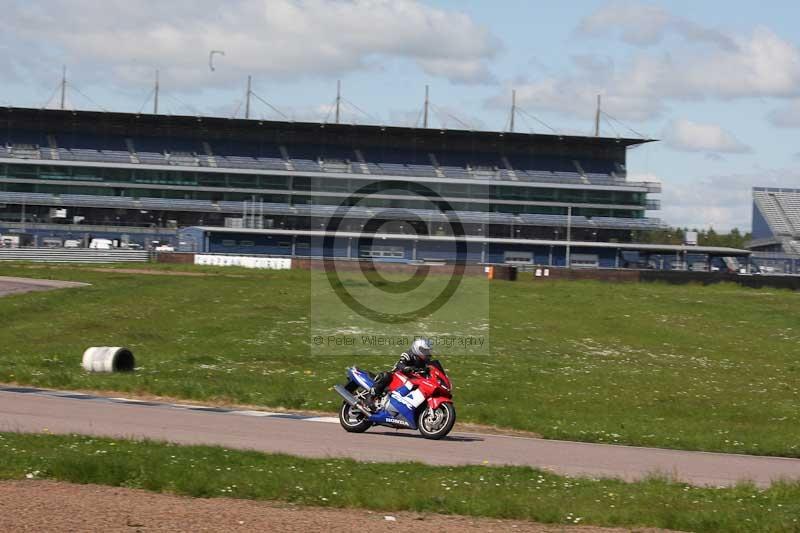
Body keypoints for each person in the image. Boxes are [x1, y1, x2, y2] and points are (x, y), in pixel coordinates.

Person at [367, 338, 432, 407]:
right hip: (397, 376)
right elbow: (400, 364)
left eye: (427, 351)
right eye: (425, 351)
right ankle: (370, 398)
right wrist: (406, 368)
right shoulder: (408, 354)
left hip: (412, 380)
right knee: (385, 376)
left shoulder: (425, 361)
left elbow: (430, 370)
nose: (426, 353)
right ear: (418, 349)